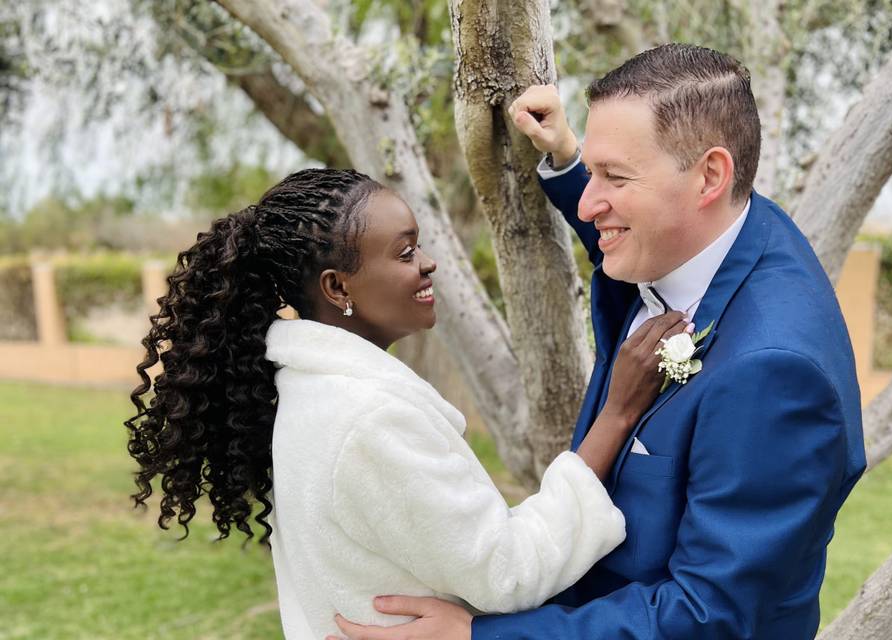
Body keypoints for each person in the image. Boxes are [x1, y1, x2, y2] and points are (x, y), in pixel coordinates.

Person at [332, 44, 866, 640]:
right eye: (595, 168)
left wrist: (475, 637)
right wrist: (566, 158)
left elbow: (710, 616)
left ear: (710, 176)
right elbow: (636, 235)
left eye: (614, 175)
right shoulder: (726, 230)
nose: (591, 201)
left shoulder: (773, 375)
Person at [124, 168, 689, 639]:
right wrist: (616, 414)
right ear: (337, 288)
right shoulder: (371, 418)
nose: (428, 263)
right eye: (404, 252)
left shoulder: (313, 390)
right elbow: (508, 571)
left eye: (417, 244)